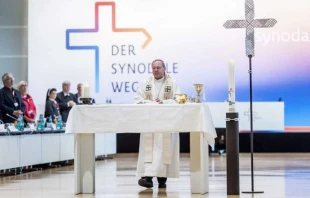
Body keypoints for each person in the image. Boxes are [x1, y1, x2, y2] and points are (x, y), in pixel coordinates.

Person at [134, 59, 181, 189]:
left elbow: (178, 99)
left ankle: (162, 180)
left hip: (166, 123)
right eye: (153, 68)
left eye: (158, 67)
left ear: (164, 68)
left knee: (164, 152)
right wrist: (152, 103)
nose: (155, 70)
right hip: (150, 123)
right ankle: (147, 177)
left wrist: (163, 103)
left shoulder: (172, 83)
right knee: (150, 151)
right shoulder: (146, 83)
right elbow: (138, 99)